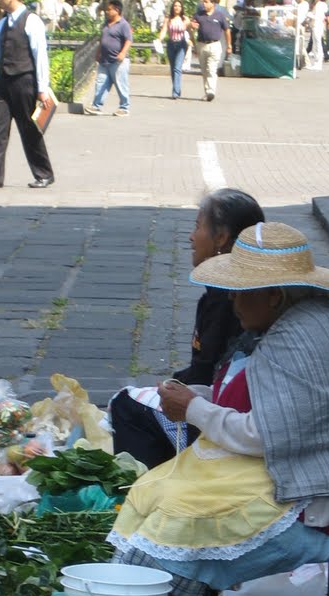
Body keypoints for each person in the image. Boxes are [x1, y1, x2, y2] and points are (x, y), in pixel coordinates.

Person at [109, 222, 329, 596]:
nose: (232, 303)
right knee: (156, 491)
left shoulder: (299, 339)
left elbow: (263, 434)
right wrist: (198, 401)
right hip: (304, 475)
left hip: (321, 505)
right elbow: (280, 415)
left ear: (273, 295)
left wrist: (194, 408)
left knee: (180, 508)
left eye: (240, 293)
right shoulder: (305, 321)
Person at [109, 189, 265, 469]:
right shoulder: (224, 297)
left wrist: (180, 394)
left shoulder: (229, 300)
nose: (191, 237)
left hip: (226, 416)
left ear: (221, 238)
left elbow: (209, 375)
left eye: (197, 226)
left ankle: (146, 487)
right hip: (223, 404)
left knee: (126, 404)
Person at [0, 0, 55, 190]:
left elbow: (40, 56)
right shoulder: (3, 23)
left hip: (24, 81)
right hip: (4, 81)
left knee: (28, 128)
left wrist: (42, 88)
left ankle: (44, 173)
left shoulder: (31, 21)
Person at [83, 0, 133, 117]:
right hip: (104, 60)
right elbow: (102, 40)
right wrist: (98, 52)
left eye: (109, 9)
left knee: (121, 84)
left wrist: (122, 53)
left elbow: (129, 40)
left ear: (117, 10)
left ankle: (124, 107)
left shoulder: (123, 24)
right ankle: (96, 106)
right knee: (101, 83)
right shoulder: (106, 23)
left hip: (118, 61)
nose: (107, 11)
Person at [191, 0, 231, 101]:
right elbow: (192, 25)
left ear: (213, 4)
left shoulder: (220, 16)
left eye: (206, 2)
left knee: (211, 69)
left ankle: (211, 91)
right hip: (202, 45)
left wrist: (229, 45)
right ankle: (207, 92)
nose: (204, 4)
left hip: (215, 45)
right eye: (203, 2)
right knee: (204, 70)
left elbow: (227, 30)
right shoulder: (199, 15)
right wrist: (192, 26)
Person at [158, 0, 191, 100]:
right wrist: (159, 39)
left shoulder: (185, 19)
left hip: (181, 44)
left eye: (179, 6)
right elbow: (164, 30)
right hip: (171, 44)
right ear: (173, 7)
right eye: (175, 6)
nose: (177, 8)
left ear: (182, 8)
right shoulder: (168, 19)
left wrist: (192, 42)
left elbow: (190, 32)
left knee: (177, 68)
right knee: (173, 68)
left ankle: (175, 92)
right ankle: (177, 89)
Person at [307, 0, 329, 70]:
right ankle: (316, 62)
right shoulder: (322, 5)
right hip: (317, 26)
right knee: (316, 44)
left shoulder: (319, 5)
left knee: (317, 44)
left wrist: (309, 14)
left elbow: (317, 16)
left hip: (317, 25)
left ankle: (318, 63)